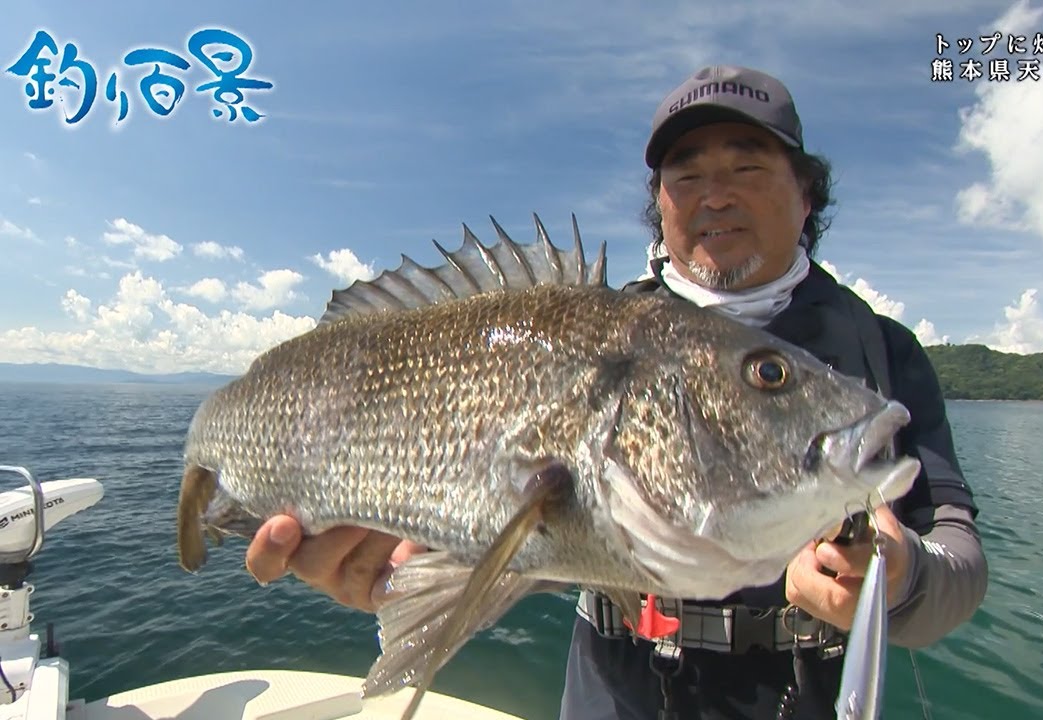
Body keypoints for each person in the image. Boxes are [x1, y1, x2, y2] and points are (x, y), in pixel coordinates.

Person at [244, 65, 988, 720]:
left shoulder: (879, 354)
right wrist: (412, 561)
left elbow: (959, 559)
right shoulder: (600, 332)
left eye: (749, 166)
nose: (715, 195)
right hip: (613, 692)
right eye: (686, 174)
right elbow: (541, 529)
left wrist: (903, 577)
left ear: (806, 193)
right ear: (660, 202)